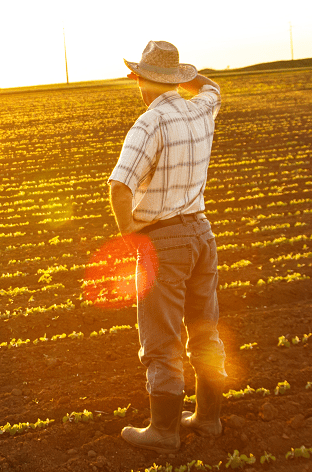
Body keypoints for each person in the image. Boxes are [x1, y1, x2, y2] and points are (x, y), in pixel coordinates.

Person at [108, 40, 227, 453]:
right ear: (175, 79)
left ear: (140, 79)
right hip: (201, 234)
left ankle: (163, 431)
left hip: (165, 240)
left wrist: (130, 236)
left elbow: (120, 187)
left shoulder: (149, 122)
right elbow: (212, 86)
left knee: (161, 338)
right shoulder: (201, 107)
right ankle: (209, 419)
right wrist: (184, 76)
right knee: (205, 330)